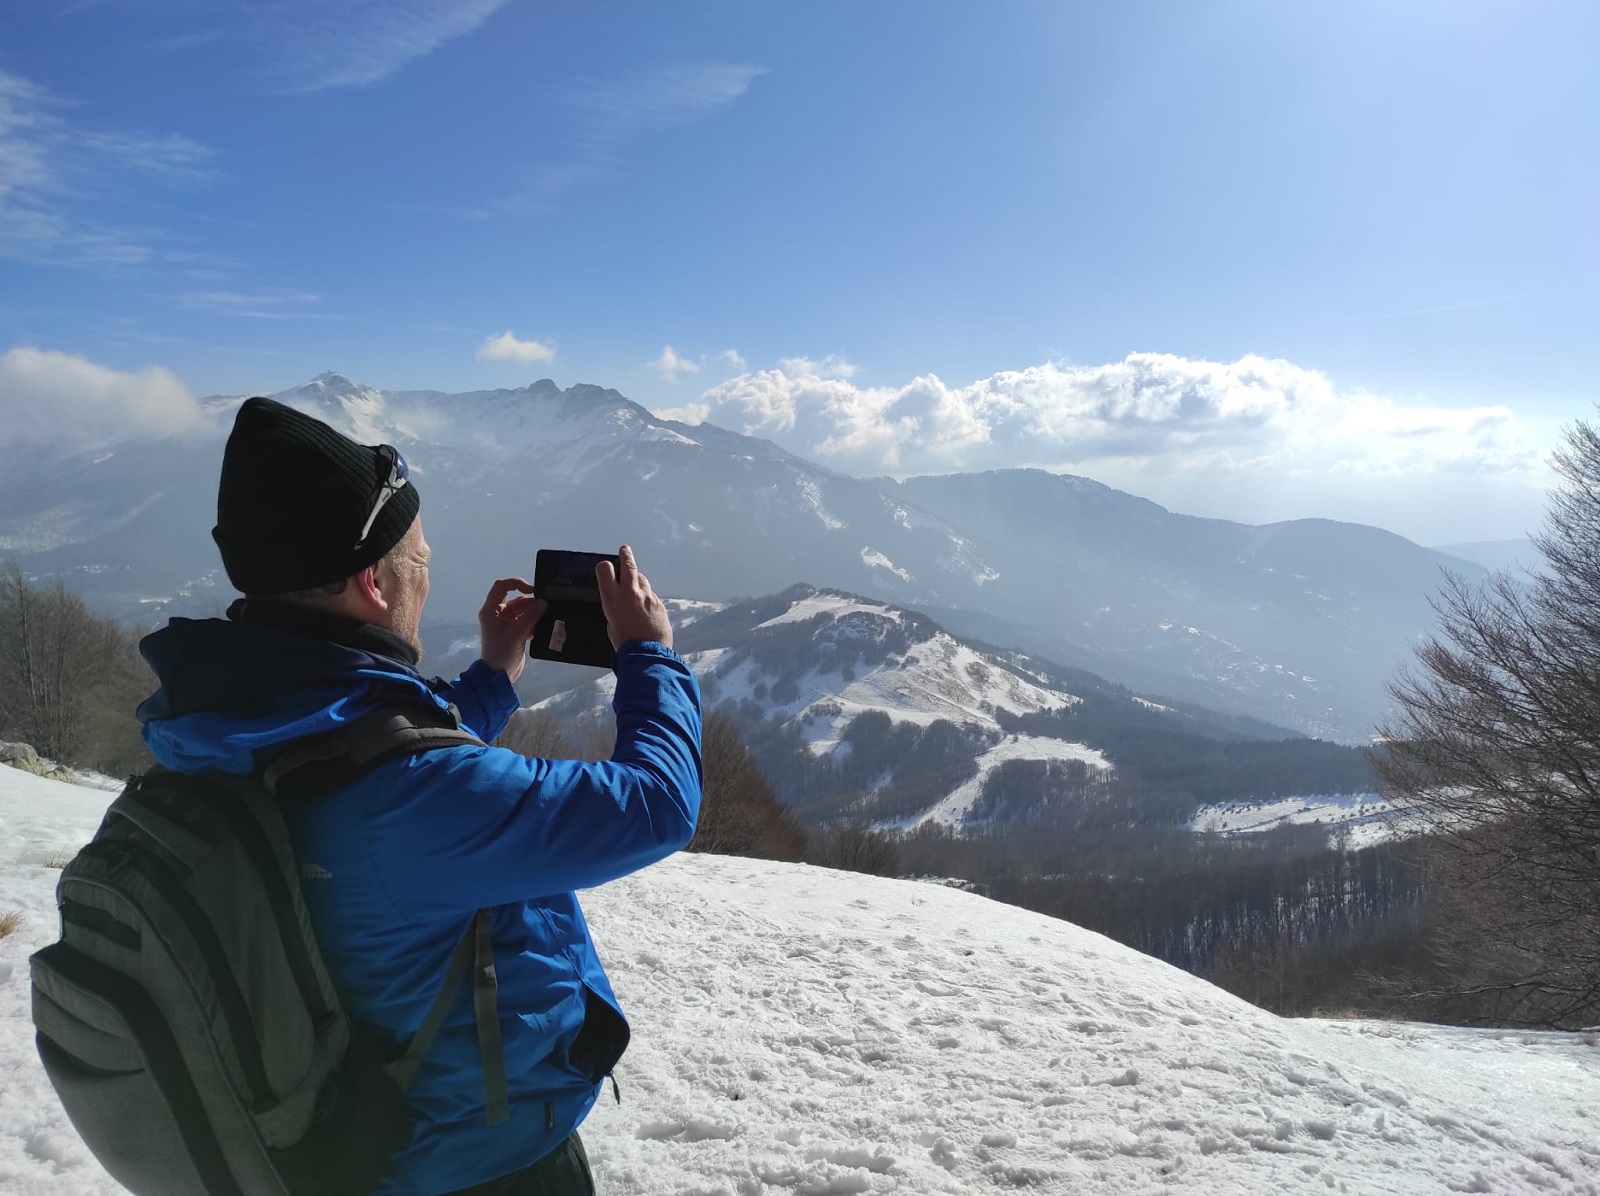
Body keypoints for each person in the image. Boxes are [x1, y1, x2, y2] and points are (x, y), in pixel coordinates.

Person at [135, 396, 703, 1195]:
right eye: (421, 563)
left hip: (352, 1135)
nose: (425, 585)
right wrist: (650, 656)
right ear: (374, 581)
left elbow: (350, 759)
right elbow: (657, 805)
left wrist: (491, 683)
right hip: (476, 1159)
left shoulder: (220, 726)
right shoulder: (416, 800)